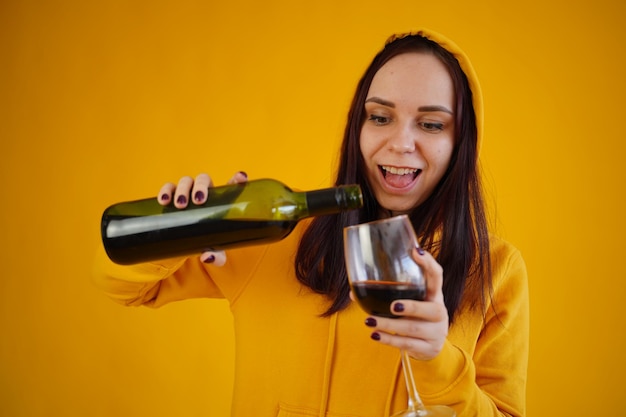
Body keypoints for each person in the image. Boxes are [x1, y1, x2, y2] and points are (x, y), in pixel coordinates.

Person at [93, 29, 529, 417]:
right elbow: (123, 285)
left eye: (431, 124)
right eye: (379, 117)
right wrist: (175, 223)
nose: (400, 143)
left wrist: (437, 360)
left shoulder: (496, 269)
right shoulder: (272, 238)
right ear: (356, 127)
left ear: (461, 142)